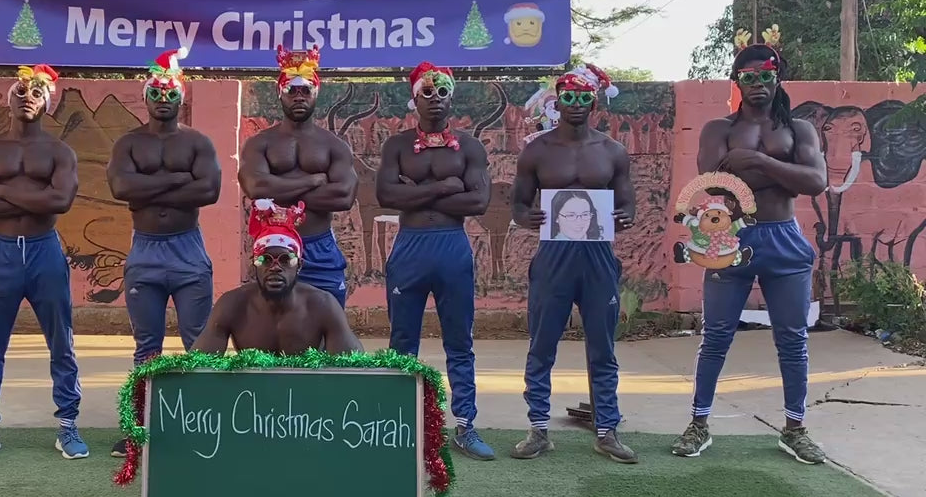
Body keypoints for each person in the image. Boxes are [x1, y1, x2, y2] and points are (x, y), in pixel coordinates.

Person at [671, 41, 828, 465]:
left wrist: (756, 161)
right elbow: (713, 183)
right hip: (730, 238)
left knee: (792, 339)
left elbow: (816, 182)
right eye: (748, 76)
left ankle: (795, 429)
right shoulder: (717, 129)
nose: (757, 83)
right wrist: (784, 173)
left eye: (765, 75)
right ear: (737, 81)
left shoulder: (800, 129)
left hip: (783, 238)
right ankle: (699, 423)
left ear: (778, 79)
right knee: (716, 335)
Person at [0, 64, 86, 462]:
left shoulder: (59, 152)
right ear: (9, 99)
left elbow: (60, 201)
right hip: (3, 252)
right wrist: (34, 197)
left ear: (47, 102)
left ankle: (68, 426)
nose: (28, 97)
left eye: (37, 92)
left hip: (45, 251)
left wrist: (2, 191)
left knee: (61, 342)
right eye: (21, 91)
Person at [510, 63, 638, 464]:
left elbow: (627, 203)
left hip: (598, 258)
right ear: (558, 100)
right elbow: (518, 204)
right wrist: (526, 217)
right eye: (569, 97)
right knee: (542, 344)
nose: (576, 104)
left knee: (603, 346)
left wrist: (625, 216)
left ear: (594, 102)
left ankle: (607, 430)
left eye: (584, 97)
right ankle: (538, 429)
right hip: (554, 257)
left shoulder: (612, 151)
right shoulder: (537, 150)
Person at [374, 62, 494, 461]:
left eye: (443, 91)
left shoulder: (470, 147)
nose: (435, 99)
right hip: (410, 247)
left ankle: (465, 426)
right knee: (402, 340)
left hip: (452, 247)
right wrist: (445, 186)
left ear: (452, 96)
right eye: (427, 92)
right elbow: (386, 196)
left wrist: (417, 192)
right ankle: (397, 423)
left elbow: (478, 201)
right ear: (415, 98)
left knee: (459, 341)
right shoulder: (397, 146)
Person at [107, 49, 220, 457]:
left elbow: (210, 190)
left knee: (199, 342)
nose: (163, 98)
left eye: (171, 92)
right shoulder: (129, 143)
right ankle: (141, 427)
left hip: (188, 248)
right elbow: (121, 188)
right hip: (145, 250)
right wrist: (179, 179)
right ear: (145, 95)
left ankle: (207, 425)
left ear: (181, 97)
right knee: (146, 347)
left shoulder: (197, 142)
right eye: (155, 91)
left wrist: (148, 187)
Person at [237, 45, 357, 306]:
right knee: (272, 324)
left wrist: (279, 191)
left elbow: (343, 196)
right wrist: (312, 181)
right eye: (292, 90)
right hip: (273, 248)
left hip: (320, 247)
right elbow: (256, 187)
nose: (299, 96)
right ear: (280, 93)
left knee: (328, 319)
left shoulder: (334, 146)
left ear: (316, 93)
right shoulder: (260, 143)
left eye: (306, 90)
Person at [192, 199, 362, 355]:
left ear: (299, 265)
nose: (275, 267)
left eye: (286, 260)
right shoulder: (232, 304)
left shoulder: (323, 305)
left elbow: (354, 366)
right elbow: (199, 366)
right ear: (254, 265)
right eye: (265, 260)